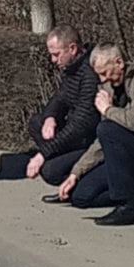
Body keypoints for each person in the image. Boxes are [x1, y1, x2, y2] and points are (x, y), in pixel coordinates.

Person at [55, 43, 134, 225]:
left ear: (119, 62)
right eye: (99, 75)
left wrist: (108, 110)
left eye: (104, 73)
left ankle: (129, 204)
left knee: (108, 128)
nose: (103, 79)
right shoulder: (112, 85)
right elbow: (104, 139)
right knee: (80, 196)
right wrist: (76, 172)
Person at [28, 25, 102, 195]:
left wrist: (43, 154)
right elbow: (59, 98)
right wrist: (50, 117)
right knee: (37, 122)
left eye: (56, 54)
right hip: (75, 132)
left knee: (50, 171)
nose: (53, 60)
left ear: (72, 49)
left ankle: (74, 182)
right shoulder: (71, 69)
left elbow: (80, 126)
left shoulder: (90, 74)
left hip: (87, 139)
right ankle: (62, 167)